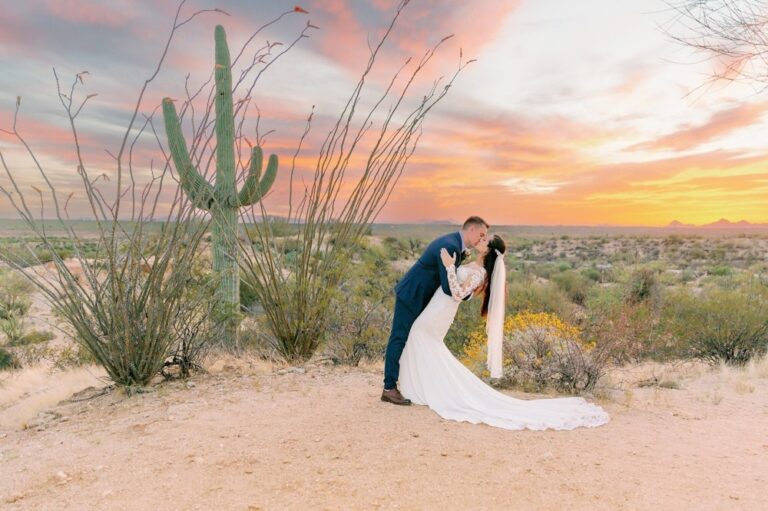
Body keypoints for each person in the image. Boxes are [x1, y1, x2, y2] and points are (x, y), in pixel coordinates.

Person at [397, 233, 610, 430]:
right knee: (423, 341)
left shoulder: (480, 273)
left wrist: (450, 267)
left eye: (485, 240)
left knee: (418, 335)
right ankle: (422, 387)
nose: (481, 239)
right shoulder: (474, 263)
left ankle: (422, 388)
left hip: (441, 311)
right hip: (437, 307)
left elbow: (459, 294)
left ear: (488, 250)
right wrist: (456, 262)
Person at [381, 216, 488, 405]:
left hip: (424, 298)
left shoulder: (456, 245)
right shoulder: (450, 246)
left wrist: (465, 288)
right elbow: (448, 288)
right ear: (471, 229)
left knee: (413, 338)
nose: (482, 239)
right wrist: (464, 290)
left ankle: (411, 383)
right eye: (481, 235)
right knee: (399, 338)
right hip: (412, 295)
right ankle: (389, 388)